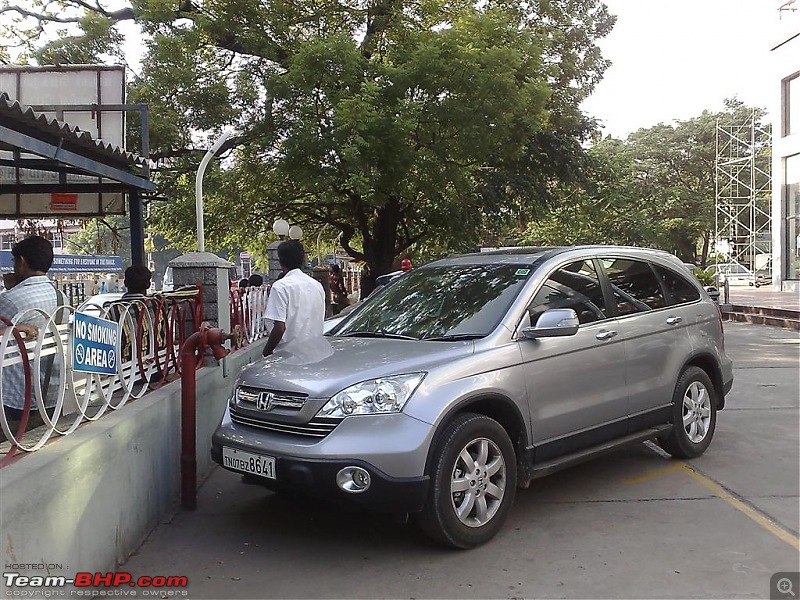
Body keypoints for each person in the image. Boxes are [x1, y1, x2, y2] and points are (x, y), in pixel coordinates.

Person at [0, 236, 58, 422]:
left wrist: (9, 292)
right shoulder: (60, 297)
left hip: (14, 397)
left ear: (21, 261)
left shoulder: (11, 299)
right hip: (50, 393)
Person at [262, 240, 325, 357]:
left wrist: (266, 352)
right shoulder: (316, 285)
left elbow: (279, 328)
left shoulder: (280, 287)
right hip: (316, 354)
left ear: (280, 262)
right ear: (303, 261)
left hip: (289, 357)